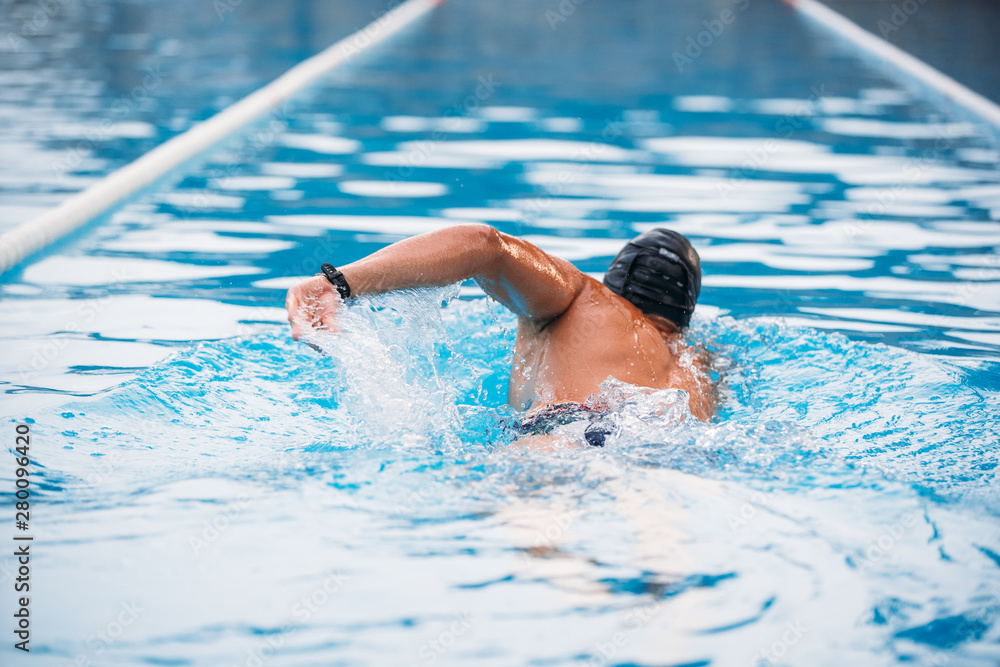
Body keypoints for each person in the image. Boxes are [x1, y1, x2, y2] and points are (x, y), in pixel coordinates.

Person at [285, 224, 714, 447]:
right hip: (667, 451)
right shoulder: (697, 369)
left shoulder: (586, 298)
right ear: (683, 314)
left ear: (615, 282)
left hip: (569, 432)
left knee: (542, 562)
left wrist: (338, 283)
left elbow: (485, 244)